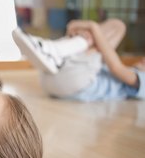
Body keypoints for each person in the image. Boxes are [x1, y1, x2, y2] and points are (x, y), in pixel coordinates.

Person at [12, 18, 145, 101]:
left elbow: (115, 67)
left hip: (76, 82)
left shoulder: (142, 80)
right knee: (98, 42)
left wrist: (93, 27)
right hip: (55, 82)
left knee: (118, 26)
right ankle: (53, 50)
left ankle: (53, 49)